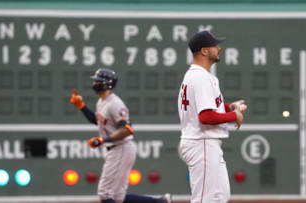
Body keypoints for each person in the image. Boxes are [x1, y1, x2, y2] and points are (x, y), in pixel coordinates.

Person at [70, 68, 172, 203]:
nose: (94, 83)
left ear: (107, 84)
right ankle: (160, 202)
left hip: (121, 148)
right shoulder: (102, 102)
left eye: (97, 81)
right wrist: (82, 106)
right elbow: (98, 121)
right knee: (118, 198)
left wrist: (103, 140)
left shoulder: (115, 103)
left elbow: (127, 129)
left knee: (104, 194)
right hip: (117, 149)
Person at [177, 31, 247, 203]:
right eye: (214, 45)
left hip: (205, 143)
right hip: (202, 143)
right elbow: (206, 116)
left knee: (220, 196)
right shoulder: (200, 77)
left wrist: (230, 107)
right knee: (204, 199)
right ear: (204, 51)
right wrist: (233, 115)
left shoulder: (198, 75)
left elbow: (208, 107)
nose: (218, 48)